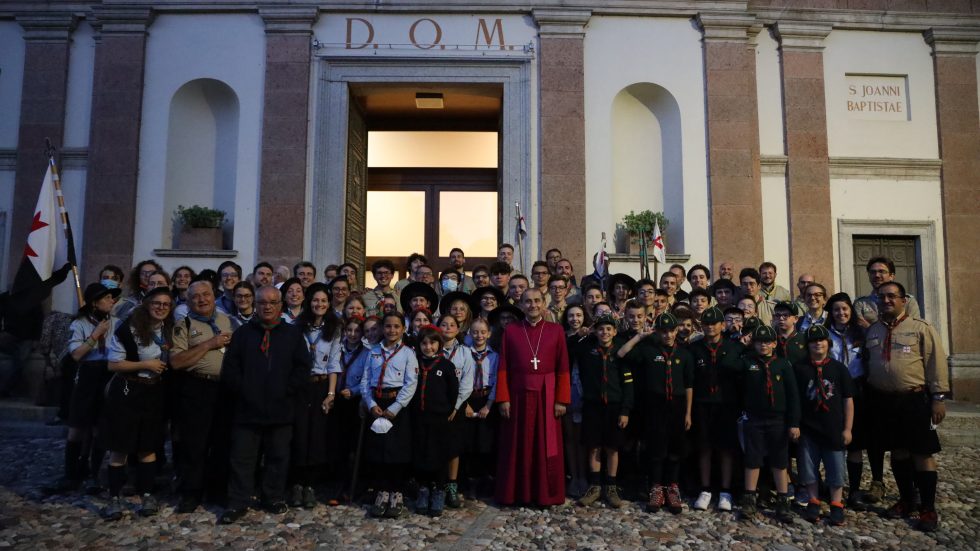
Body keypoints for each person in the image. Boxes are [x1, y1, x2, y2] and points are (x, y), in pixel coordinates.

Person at [219, 285, 312, 524]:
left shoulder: (292, 335)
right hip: (247, 409)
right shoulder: (242, 334)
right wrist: (245, 390)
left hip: (280, 408)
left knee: (278, 457)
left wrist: (285, 390)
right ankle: (238, 501)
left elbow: (302, 368)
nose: (267, 306)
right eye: (262, 302)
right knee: (242, 458)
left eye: (272, 302)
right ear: (256, 305)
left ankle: (273, 496)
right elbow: (231, 368)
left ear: (280, 306)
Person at [865, 281, 947, 532]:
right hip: (885, 401)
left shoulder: (920, 328)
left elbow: (936, 363)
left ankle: (928, 508)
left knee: (922, 453)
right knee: (898, 452)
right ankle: (906, 499)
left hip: (914, 400)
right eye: (882, 297)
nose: (886, 300)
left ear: (903, 300)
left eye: (892, 296)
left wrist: (938, 398)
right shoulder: (874, 331)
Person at [101, 287, 173, 520]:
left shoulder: (169, 330)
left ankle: (147, 494)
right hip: (128, 390)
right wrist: (146, 365)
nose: (161, 307)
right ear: (147, 304)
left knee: (148, 446)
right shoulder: (128, 330)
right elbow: (113, 364)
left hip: (154, 391)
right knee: (120, 446)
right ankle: (114, 497)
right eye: (157, 303)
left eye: (166, 304)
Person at [494, 288, 571, 507]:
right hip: (518, 395)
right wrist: (503, 398)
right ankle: (517, 493)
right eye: (528, 302)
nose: (533, 305)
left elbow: (563, 367)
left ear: (543, 303)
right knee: (518, 444)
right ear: (521, 305)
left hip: (548, 397)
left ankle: (546, 494)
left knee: (546, 446)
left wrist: (561, 399)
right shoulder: (512, 330)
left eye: (537, 301)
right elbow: (503, 368)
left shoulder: (556, 331)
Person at [46, 282, 120, 494]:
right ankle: (71, 473)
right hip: (87, 374)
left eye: (111, 298)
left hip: (107, 374)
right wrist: (95, 334)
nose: (111, 301)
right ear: (95, 302)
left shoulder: (117, 322)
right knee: (78, 426)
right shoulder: (79, 324)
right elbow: (76, 354)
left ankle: (94, 473)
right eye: (106, 298)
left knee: (100, 427)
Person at [617, 312, 693, 514]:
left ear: (676, 331)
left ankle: (672, 488)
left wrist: (688, 413)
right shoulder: (648, 350)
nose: (668, 335)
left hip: (677, 405)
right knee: (657, 448)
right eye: (663, 331)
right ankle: (656, 487)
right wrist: (640, 336)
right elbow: (621, 353)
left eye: (671, 331)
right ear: (657, 332)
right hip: (654, 404)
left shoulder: (684, 354)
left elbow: (688, 386)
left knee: (675, 449)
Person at [169, 281, 235, 513]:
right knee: (194, 444)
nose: (202, 299)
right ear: (188, 301)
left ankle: (217, 491)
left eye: (206, 294)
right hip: (197, 388)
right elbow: (176, 362)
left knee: (222, 443)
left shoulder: (225, 320)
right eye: (195, 296)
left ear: (214, 295)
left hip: (224, 390)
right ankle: (191, 493)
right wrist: (210, 344)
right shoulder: (183, 325)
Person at [735, 325, 800, 524]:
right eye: (759, 342)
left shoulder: (783, 365)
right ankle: (749, 498)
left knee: (779, 461)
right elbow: (729, 366)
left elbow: (793, 396)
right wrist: (741, 346)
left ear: (774, 343)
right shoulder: (746, 362)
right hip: (754, 418)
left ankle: (783, 500)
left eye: (767, 342)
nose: (763, 345)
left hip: (778, 419)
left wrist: (794, 422)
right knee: (752, 458)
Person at [824, 293, 881, 510]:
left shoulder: (862, 333)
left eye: (845, 309)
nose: (841, 313)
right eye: (837, 310)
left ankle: (867, 484)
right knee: (843, 441)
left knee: (863, 439)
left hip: (860, 390)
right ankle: (843, 486)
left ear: (851, 311)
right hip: (836, 391)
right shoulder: (826, 334)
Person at [288, 283, 343, 508]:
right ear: (308, 303)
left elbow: (333, 363)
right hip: (300, 386)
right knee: (299, 434)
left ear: (328, 304)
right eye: (315, 301)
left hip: (321, 386)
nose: (319, 304)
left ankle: (310, 484)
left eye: (323, 301)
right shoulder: (296, 327)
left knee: (317, 436)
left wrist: (331, 394)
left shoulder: (334, 328)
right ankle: (296, 484)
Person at [794, 325, 854, 526]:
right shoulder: (800, 368)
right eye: (813, 341)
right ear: (807, 345)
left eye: (821, 340)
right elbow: (795, 398)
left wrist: (847, 428)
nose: (817, 344)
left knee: (836, 467)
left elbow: (847, 400)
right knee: (808, 466)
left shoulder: (839, 369)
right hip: (808, 426)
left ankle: (836, 502)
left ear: (828, 343)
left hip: (833, 426)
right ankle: (813, 499)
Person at [361, 312, 418, 519]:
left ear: (403, 329)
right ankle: (381, 490)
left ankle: (397, 492)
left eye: (396, 326)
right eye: (388, 326)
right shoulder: (373, 351)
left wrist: (396, 407)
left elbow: (411, 383)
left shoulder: (408, 353)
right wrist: (371, 403)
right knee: (378, 449)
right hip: (377, 403)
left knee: (397, 450)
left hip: (397, 405)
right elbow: (366, 379)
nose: (392, 330)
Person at [572, 315, 633, 508]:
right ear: (595, 331)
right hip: (593, 405)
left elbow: (628, 385)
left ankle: (611, 486)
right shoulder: (587, 349)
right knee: (594, 446)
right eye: (600, 329)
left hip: (615, 406)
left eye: (608, 329)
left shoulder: (621, 353)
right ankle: (595, 485)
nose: (604, 333)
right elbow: (572, 348)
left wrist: (625, 410)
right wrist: (586, 333)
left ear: (615, 332)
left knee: (612, 447)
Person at [689, 307, 743, 513]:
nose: (710, 327)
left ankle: (725, 490)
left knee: (726, 449)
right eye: (706, 323)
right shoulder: (695, 349)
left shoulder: (734, 347)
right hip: (702, 404)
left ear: (723, 325)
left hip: (726, 405)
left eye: (714, 323)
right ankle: (705, 489)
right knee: (704, 447)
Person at [411, 325, 459, 517]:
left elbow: (453, 391)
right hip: (420, 416)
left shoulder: (446, 366)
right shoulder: (414, 362)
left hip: (439, 417)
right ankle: (423, 490)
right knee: (421, 453)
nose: (428, 347)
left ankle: (438, 490)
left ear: (439, 344)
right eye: (424, 343)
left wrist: (448, 409)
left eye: (432, 343)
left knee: (439, 455)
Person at [437, 314, 475, 508]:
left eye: (452, 325)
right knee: (435, 445)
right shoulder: (433, 350)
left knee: (453, 447)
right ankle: (436, 484)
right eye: (444, 324)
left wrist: (456, 405)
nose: (448, 328)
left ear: (458, 329)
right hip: (436, 406)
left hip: (456, 407)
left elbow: (468, 383)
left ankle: (452, 485)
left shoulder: (464, 352)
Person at [462, 317, 499, 499]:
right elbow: (459, 380)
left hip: (486, 400)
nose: (479, 335)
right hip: (468, 399)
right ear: (470, 333)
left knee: (486, 443)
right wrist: (465, 404)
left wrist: (489, 405)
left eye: (483, 332)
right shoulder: (464, 353)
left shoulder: (494, 356)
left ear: (489, 334)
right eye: (475, 332)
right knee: (469, 443)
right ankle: (471, 483)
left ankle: (486, 481)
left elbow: (496, 383)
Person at [854, 257, 922, 328]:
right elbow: (858, 332)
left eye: (881, 271)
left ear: (891, 276)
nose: (876, 275)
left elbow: (914, 328)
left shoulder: (907, 301)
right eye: (872, 272)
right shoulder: (860, 303)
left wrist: (870, 327)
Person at [773, 301, 807, 366]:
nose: (781, 318)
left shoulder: (804, 339)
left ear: (796, 319)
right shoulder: (771, 338)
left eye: (785, 315)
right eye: (777, 315)